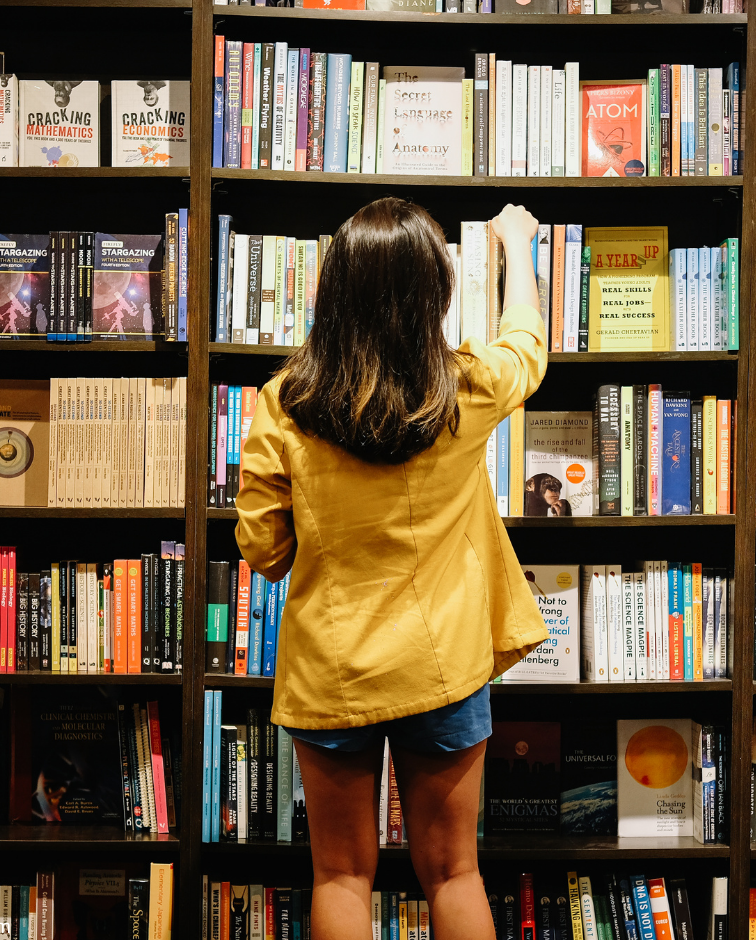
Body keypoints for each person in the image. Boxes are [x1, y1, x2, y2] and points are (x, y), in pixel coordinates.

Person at [236, 198, 549, 940]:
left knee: (341, 878)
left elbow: (263, 549)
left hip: (331, 670)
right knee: (453, 874)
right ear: (433, 295)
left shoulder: (285, 404)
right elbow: (528, 345)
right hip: (443, 667)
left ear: (334, 288)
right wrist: (516, 245)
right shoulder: (465, 392)